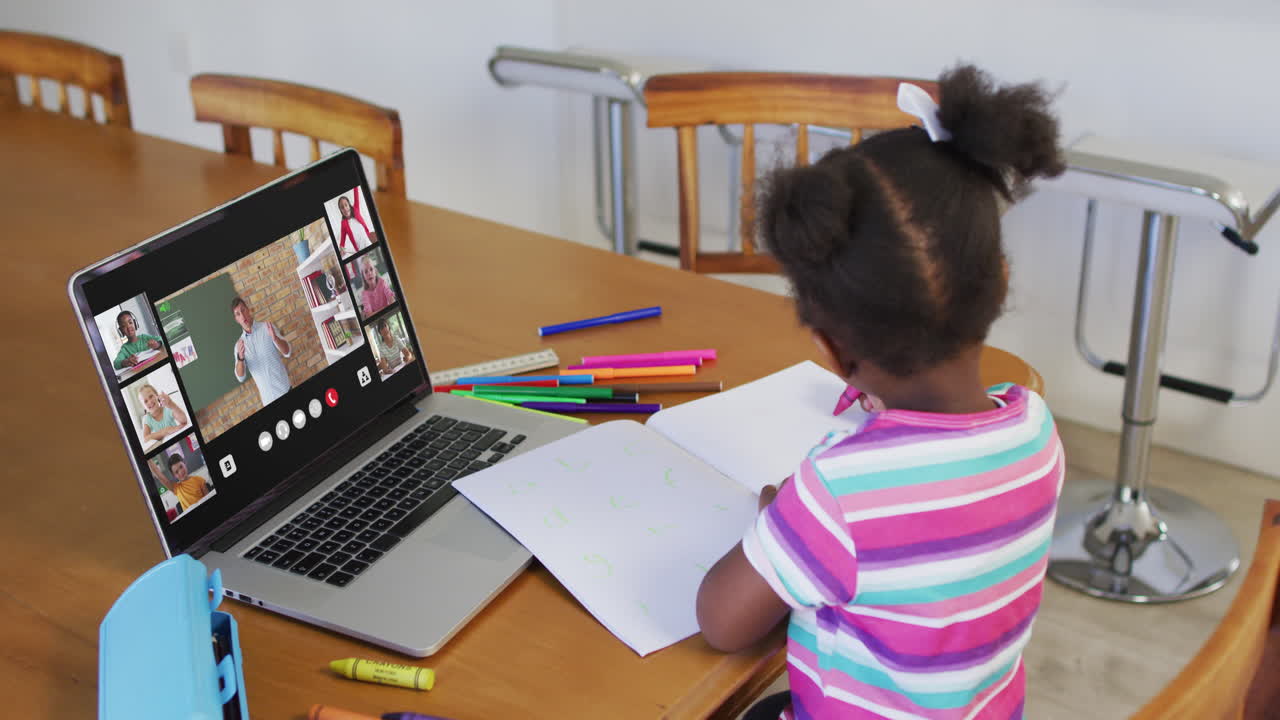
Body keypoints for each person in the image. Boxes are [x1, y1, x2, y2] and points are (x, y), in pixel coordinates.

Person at [696, 65, 1068, 720]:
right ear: (1000, 282)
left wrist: (780, 525)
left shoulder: (838, 495)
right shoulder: (1037, 428)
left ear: (831, 348)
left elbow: (721, 623)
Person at [231, 296, 293, 407]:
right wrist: (240, 358)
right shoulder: (239, 346)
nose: (242, 315)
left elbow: (287, 352)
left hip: (285, 390)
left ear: (248, 309)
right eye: (238, 314)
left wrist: (275, 339)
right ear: (236, 319)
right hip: (268, 401)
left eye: (243, 310)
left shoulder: (267, 327)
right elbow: (240, 377)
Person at [336, 191, 375, 256]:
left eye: (346, 205)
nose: (345, 208)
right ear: (340, 210)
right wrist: (341, 249)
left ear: (349, 204)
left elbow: (356, 193)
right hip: (360, 251)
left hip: (368, 243)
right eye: (342, 207)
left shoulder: (356, 209)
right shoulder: (343, 223)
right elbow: (342, 240)